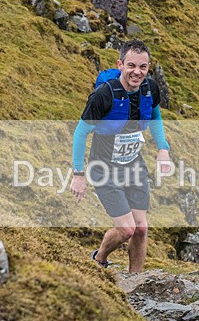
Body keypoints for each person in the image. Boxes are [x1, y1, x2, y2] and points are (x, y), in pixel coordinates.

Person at [70, 40, 171, 272]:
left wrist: (162, 149)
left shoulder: (150, 89)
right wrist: (78, 173)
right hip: (104, 168)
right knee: (127, 229)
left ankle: (135, 280)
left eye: (143, 67)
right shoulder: (104, 95)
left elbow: (155, 118)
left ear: (148, 67)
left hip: (134, 165)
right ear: (121, 64)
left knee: (141, 228)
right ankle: (99, 259)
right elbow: (80, 132)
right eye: (131, 66)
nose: (137, 72)